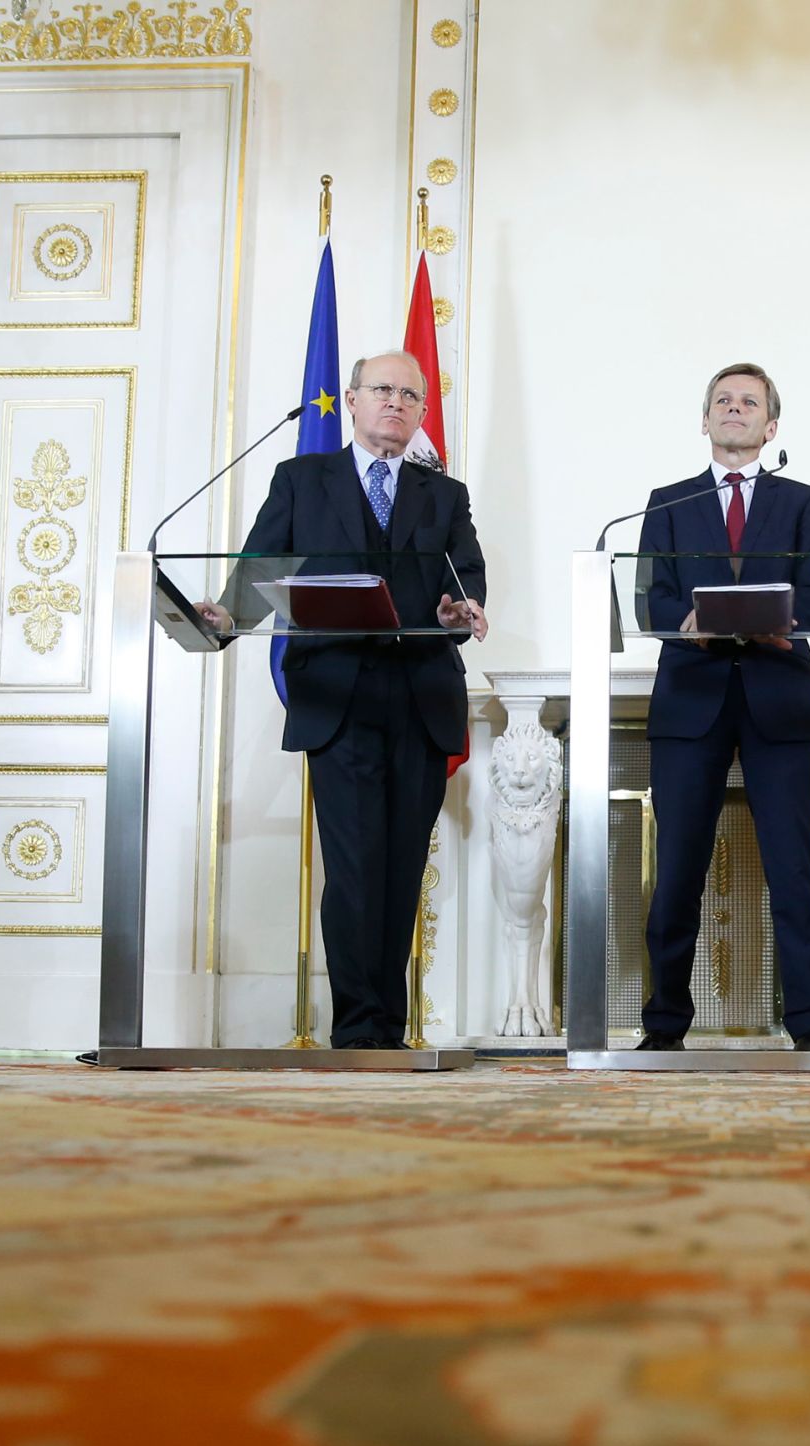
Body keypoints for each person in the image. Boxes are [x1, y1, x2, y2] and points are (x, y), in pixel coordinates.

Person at [198, 350, 488, 1050]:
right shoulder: (302, 479)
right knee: (355, 867)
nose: (395, 402)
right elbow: (262, 565)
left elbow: (467, 577)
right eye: (381, 389)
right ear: (352, 400)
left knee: (400, 869)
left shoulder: (444, 495)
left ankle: (388, 1028)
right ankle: (359, 1032)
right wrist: (229, 616)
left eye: (409, 395)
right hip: (338, 696)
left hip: (420, 695)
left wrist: (461, 609)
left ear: (422, 412)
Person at [636, 362, 810, 1053]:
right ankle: (664, 1026)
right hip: (689, 700)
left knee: (794, 872)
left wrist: (775, 618)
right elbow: (650, 599)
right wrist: (688, 622)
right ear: (704, 420)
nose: (734, 409)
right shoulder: (667, 503)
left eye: (748, 402)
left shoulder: (803, 502)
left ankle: (809, 1026)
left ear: (770, 426)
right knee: (676, 872)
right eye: (722, 400)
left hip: (776, 696)